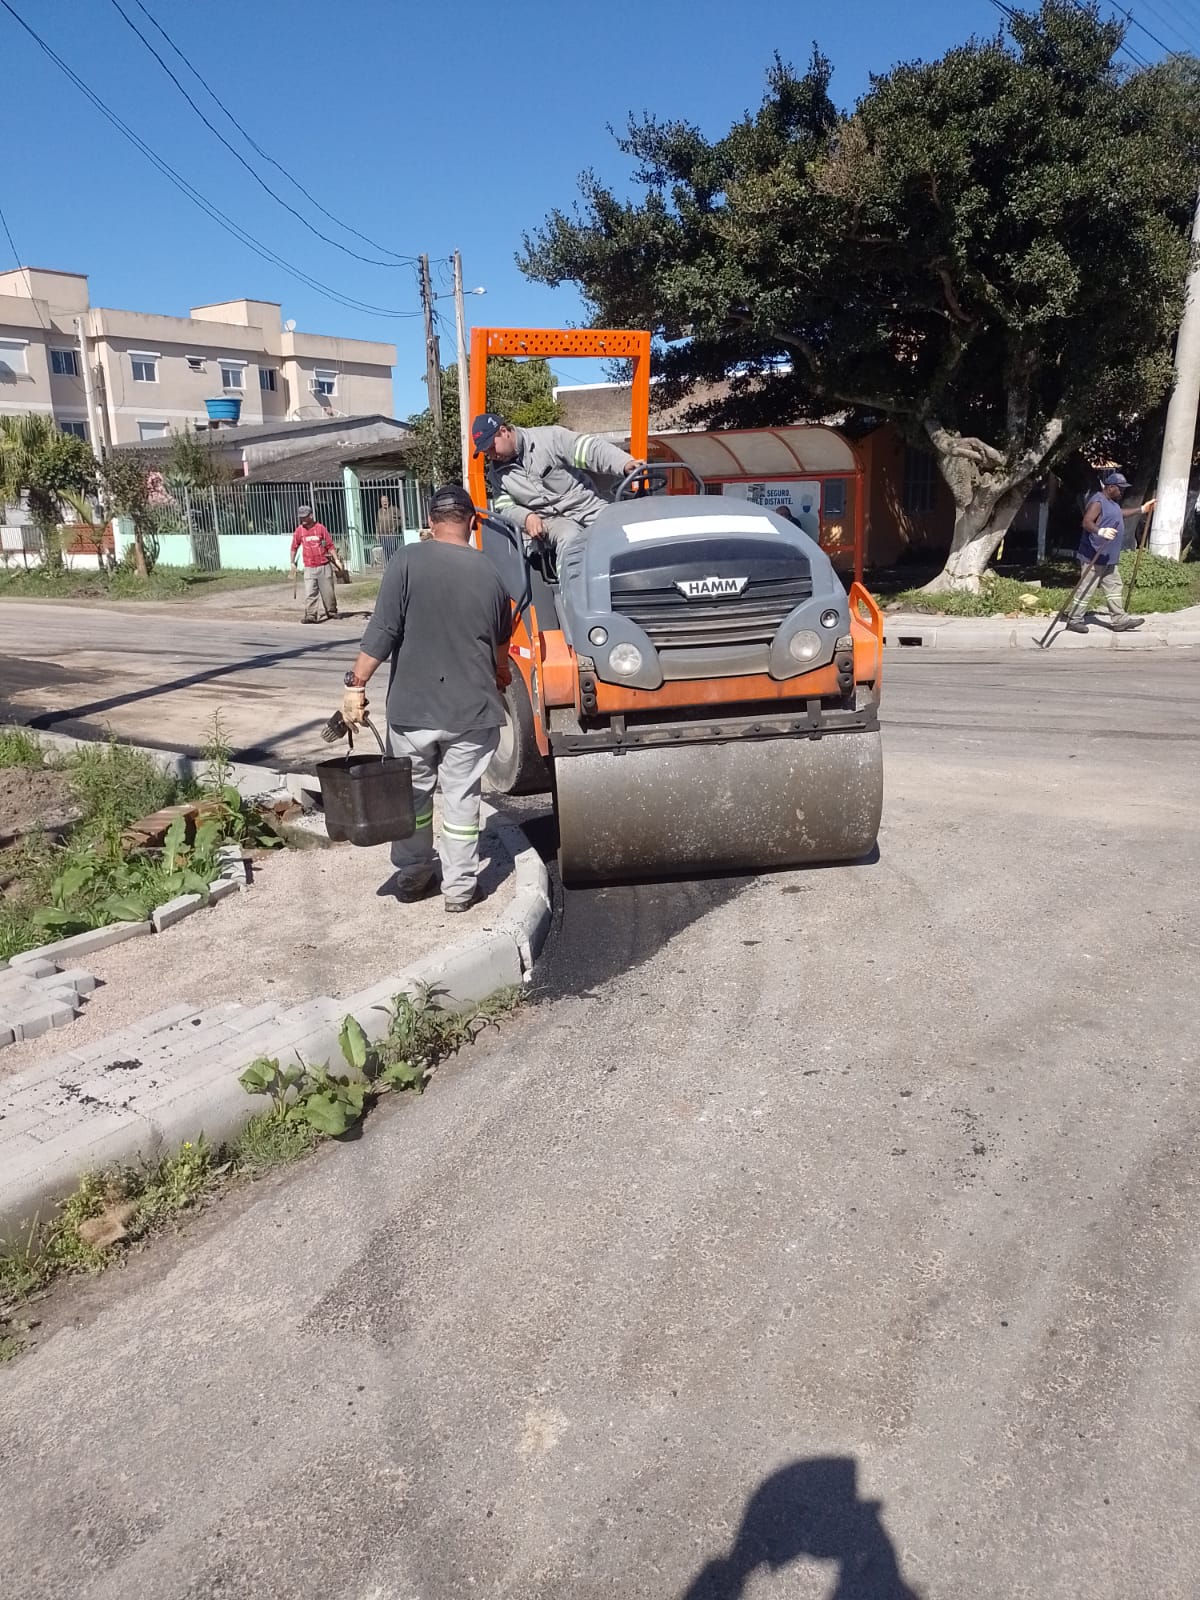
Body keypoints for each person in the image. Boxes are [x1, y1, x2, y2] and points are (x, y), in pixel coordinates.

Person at [340, 484, 513, 912]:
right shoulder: (491, 573)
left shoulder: (407, 560)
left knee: (414, 797)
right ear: (472, 524)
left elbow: (383, 631)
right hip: (472, 711)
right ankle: (459, 889)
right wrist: (500, 674)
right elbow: (500, 647)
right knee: (461, 800)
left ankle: (414, 872)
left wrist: (356, 683)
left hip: (413, 711)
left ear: (430, 522)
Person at [472, 412, 643, 556]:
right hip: (550, 521)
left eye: (491, 447)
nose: (490, 455)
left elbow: (590, 450)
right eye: (485, 451)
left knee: (623, 531)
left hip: (586, 506)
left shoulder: (549, 438)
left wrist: (624, 463)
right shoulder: (496, 475)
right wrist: (526, 517)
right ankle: (574, 595)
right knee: (570, 539)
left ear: (504, 432)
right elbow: (505, 506)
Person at [1064, 471, 1155, 634]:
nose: (1122, 492)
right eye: (1120, 489)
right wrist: (1100, 531)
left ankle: (1119, 620)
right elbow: (1086, 522)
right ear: (1111, 487)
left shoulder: (1112, 503)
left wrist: (1142, 509)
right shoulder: (1098, 501)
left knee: (1114, 587)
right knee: (1086, 588)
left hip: (1108, 557)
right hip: (1093, 555)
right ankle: (1074, 620)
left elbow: (1119, 513)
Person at [290, 505, 344, 624]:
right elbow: (294, 547)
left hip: (323, 565)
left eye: (305, 517)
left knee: (328, 591)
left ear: (311, 516)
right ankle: (311, 615)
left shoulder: (320, 528)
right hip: (309, 567)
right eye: (301, 517)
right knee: (310, 592)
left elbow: (330, 545)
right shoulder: (299, 531)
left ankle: (331, 612)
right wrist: (292, 563)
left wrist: (337, 560)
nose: (303, 520)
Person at [375, 494, 402, 562]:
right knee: (386, 551)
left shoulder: (394, 509)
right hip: (383, 535)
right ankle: (388, 565)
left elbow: (401, 519)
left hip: (391, 534)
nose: (385, 502)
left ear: (388, 501)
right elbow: (378, 522)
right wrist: (377, 533)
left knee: (393, 550)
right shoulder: (379, 511)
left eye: (386, 501)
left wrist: (395, 527)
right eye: (383, 501)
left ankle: (395, 564)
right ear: (381, 503)